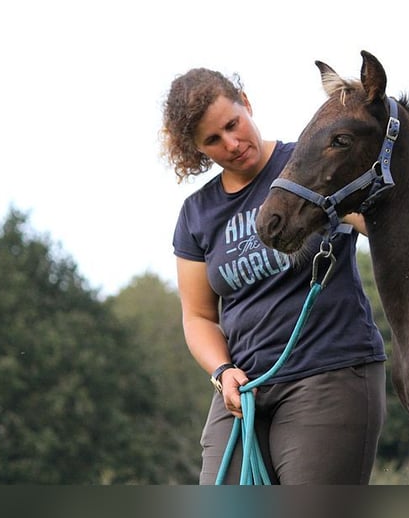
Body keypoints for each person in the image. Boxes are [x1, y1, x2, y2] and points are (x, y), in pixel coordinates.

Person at [160, 67, 387, 485]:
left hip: (329, 374)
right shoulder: (196, 214)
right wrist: (222, 371)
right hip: (244, 393)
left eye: (233, 124)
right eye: (213, 140)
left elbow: (385, 225)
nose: (231, 143)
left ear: (246, 104)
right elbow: (198, 317)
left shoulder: (312, 162)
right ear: (196, 149)